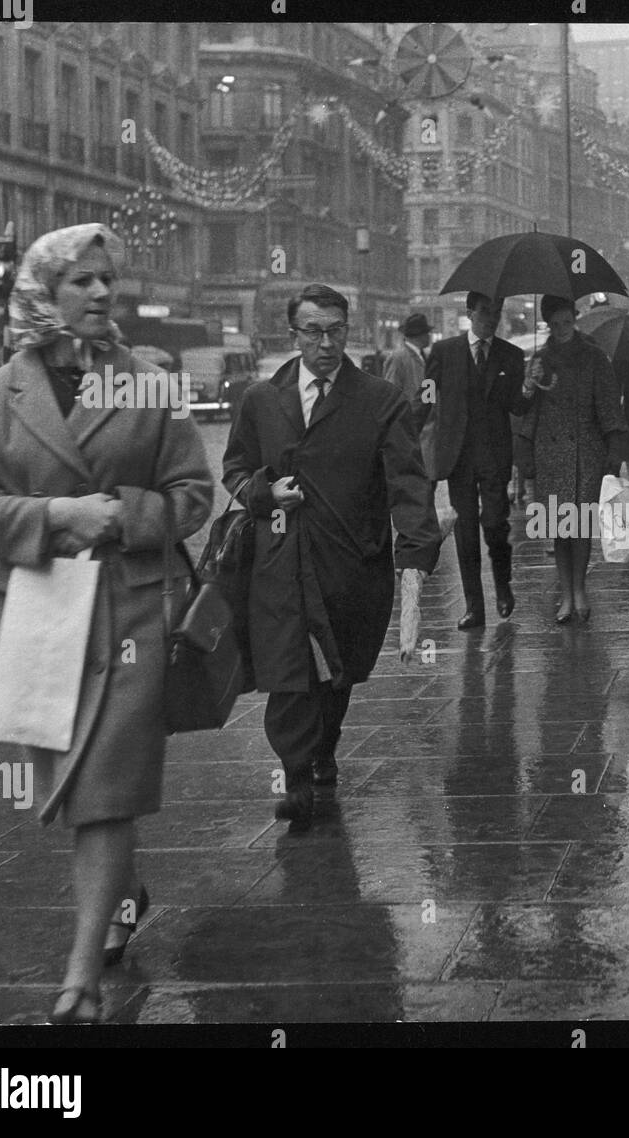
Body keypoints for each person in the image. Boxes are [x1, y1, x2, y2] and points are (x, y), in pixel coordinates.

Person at [0, 224, 213, 1023]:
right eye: (83, 282)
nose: (103, 295)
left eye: (108, 281)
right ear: (43, 295)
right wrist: (54, 513)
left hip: (132, 607)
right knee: (78, 793)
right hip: (42, 616)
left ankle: (79, 977)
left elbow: (192, 495)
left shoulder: (148, 383)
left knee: (104, 794)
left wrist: (122, 516)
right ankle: (123, 889)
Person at [223, 284, 441, 832]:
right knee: (290, 670)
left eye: (336, 331)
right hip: (281, 560)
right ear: (293, 334)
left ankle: (325, 745)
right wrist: (264, 493)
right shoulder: (261, 400)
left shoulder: (379, 401)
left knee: (338, 670)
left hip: (353, 562)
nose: (326, 344)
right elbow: (236, 468)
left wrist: (415, 550)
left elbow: (408, 483)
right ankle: (295, 777)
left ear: (349, 331)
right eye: (314, 332)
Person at [414, 291, 526, 629]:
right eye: (484, 312)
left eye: (495, 312)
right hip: (458, 456)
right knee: (464, 531)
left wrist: (530, 390)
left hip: (493, 454)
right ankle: (474, 606)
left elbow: (517, 407)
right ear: (469, 313)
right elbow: (427, 395)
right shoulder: (445, 352)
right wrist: (406, 431)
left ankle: (503, 585)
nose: (490, 319)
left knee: (494, 524)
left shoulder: (511, 355)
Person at [520, 294, 625, 623]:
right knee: (558, 529)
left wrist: (614, 449)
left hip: (586, 452)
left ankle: (579, 590)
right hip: (549, 453)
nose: (561, 329)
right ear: (547, 324)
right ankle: (565, 595)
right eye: (554, 323)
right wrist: (528, 384)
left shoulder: (594, 357)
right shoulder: (539, 359)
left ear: (574, 319)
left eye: (567, 322)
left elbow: (609, 404)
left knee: (581, 528)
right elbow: (526, 411)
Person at [382, 312, 432, 407]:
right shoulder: (398, 358)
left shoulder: (425, 356)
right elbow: (391, 393)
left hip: (424, 417)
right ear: (421, 335)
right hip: (409, 417)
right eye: (427, 333)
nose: (429, 336)